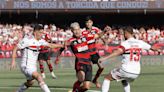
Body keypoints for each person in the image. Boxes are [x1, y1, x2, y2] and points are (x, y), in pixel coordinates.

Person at [99, 26, 161, 92]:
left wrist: (105, 58)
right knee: (124, 79)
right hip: (136, 72)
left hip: (126, 70)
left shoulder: (125, 43)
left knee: (107, 78)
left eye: (123, 34)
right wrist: (159, 50)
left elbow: (117, 52)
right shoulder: (140, 42)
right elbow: (152, 48)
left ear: (126, 33)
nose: (123, 35)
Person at [11, 24, 64, 92]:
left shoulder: (40, 41)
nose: (42, 34)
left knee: (30, 83)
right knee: (39, 77)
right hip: (26, 66)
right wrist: (13, 61)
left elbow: (50, 45)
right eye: (41, 33)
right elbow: (15, 48)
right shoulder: (27, 40)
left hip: (32, 67)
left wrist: (61, 45)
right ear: (36, 32)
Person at [55, 22, 103, 92]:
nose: (77, 31)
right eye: (74, 30)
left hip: (88, 63)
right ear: (72, 31)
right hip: (79, 63)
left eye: (78, 29)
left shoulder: (86, 37)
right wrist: (57, 58)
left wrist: (105, 31)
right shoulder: (70, 41)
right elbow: (61, 49)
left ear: (80, 30)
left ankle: (75, 91)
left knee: (86, 87)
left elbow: (97, 35)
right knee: (81, 78)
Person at [81, 16, 104, 88]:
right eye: (87, 22)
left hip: (94, 52)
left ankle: (95, 80)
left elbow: (100, 35)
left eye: (90, 22)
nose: (88, 24)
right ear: (85, 23)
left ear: (92, 23)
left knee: (101, 67)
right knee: (88, 69)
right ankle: (86, 82)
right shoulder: (83, 31)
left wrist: (105, 42)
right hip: (86, 53)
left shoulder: (95, 29)